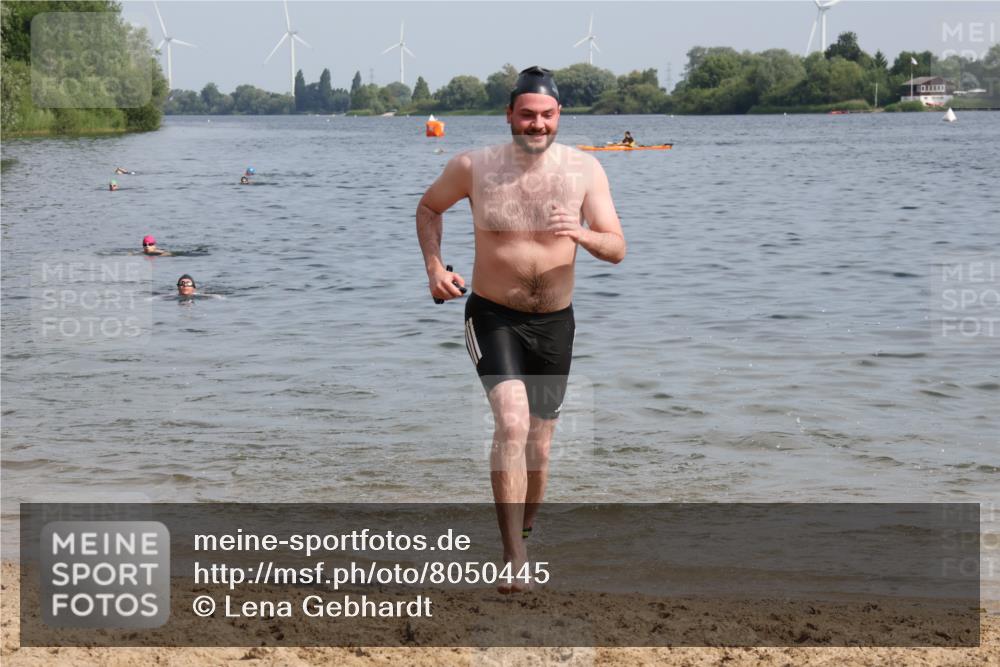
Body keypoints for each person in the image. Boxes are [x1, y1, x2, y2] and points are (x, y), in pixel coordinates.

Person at [416, 65, 626, 593]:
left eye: (547, 116)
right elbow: (428, 207)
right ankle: (514, 558)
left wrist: (579, 233)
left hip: (556, 321)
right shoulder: (473, 167)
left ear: (559, 117)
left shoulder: (585, 172)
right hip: (493, 315)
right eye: (527, 115)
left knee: (541, 446)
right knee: (511, 424)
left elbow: (617, 248)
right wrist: (435, 269)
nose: (537, 125)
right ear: (509, 114)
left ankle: (526, 531)